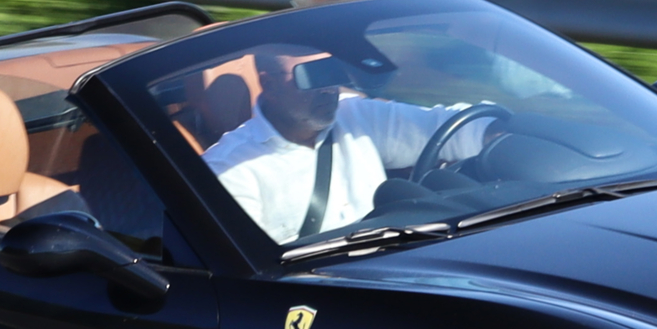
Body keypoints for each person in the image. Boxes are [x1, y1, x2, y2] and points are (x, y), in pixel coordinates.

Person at [203, 49, 493, 243]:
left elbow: (441, 127)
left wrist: (501, 134)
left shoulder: (355, 114)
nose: (329, 87)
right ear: (269, 85)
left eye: (332, 72)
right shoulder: (229, 171)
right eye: (311, 76)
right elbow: (250, 276)